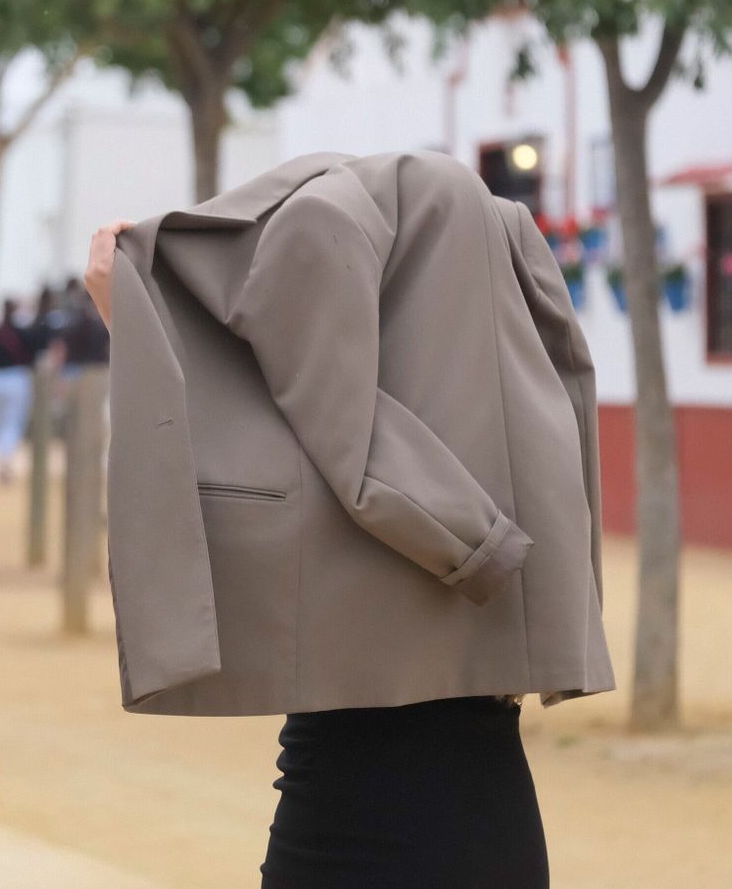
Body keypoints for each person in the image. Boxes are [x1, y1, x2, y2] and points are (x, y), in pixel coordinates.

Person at [86, 152, 613, 887]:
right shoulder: (510, 432)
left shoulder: (364, 471)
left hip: (350, 806)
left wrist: (145, 315)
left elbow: (287, 440)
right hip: (495, 811)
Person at [0, 298, 37, 483]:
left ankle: (3, 456)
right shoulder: (23, 333)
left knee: (1, 423)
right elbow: (32, 355)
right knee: (11, 423)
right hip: (16, 379)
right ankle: (5, 458)